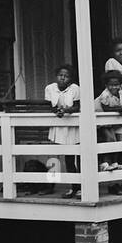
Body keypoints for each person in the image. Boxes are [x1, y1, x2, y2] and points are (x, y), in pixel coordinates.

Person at [95, 70, 122, 192]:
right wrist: (120, 109)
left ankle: (113, 163)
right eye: (111, 85)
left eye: (116, 85)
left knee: (113, 141)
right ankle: (105, 163)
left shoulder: (120, 95)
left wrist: (121, 108)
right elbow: (106, 108)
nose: (113, 87)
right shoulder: (105, 95)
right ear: (106, 85)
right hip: (99, 122)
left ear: (120, 85)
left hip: (109, 124)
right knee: (109, 140)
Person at [44, 64, 81, 198]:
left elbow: (77, 107)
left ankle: (79, 187)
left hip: (72, 127)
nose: (63, 78)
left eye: (66, 76)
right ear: (56, 76)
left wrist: (66, 111)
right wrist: (57, 112)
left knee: (75, 158)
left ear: (70, 79)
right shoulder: (50, 88)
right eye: (61, 75)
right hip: (58, 127)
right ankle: (53, 186)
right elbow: (48, 106)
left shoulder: (75, 89)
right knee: (58, 158)